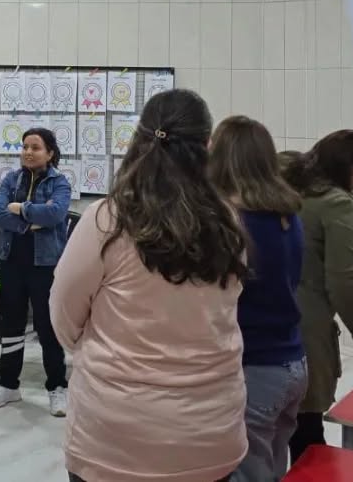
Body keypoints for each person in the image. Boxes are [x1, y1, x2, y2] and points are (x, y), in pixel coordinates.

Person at [52, 89, 249, 482]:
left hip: (114, 435)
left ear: (139, 140)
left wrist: (99, 351)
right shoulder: (226, 222)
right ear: (207, 147)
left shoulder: (107, 219)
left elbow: (63, 313)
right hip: (209, 431)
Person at [209, 116, 306, 482]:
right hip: (292, 362)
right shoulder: (287, 214)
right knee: (271, 469)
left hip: (256, 367)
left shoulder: (235, 222)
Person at [283, 129, 353, 463]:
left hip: (256, 324)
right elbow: (345, 282)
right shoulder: (336, 204)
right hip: (305, 329)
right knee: (307, 435)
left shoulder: (282, 187)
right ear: (345, 165)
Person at [0, 127, 72, 416]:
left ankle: (57, 387)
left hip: (45, 265)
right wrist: (30, 223)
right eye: (24, 147)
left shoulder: (60, 183)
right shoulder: (11, 179)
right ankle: (8, 384)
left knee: (48, 327)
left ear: (49, 153)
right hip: (11, 261)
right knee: (11, 325)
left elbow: (55, 214)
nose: (28, 152)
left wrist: (20, 209)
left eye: (35, 147)